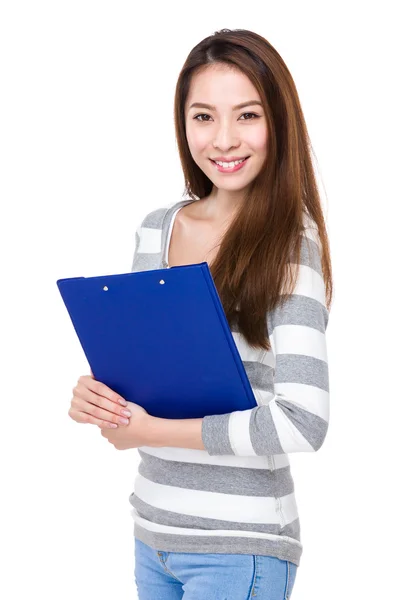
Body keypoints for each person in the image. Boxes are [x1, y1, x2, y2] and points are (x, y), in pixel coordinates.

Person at [68, 28, 333, 600]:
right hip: (153, 534)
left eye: (248, 115)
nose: (224, 139)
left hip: (241, 548)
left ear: (277, 123)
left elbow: (303, 421)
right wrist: (99, 398)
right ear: (183, 124)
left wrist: (152, 430)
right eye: (204, 117)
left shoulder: (292, 245)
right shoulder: (155, 230)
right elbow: (147, 379)